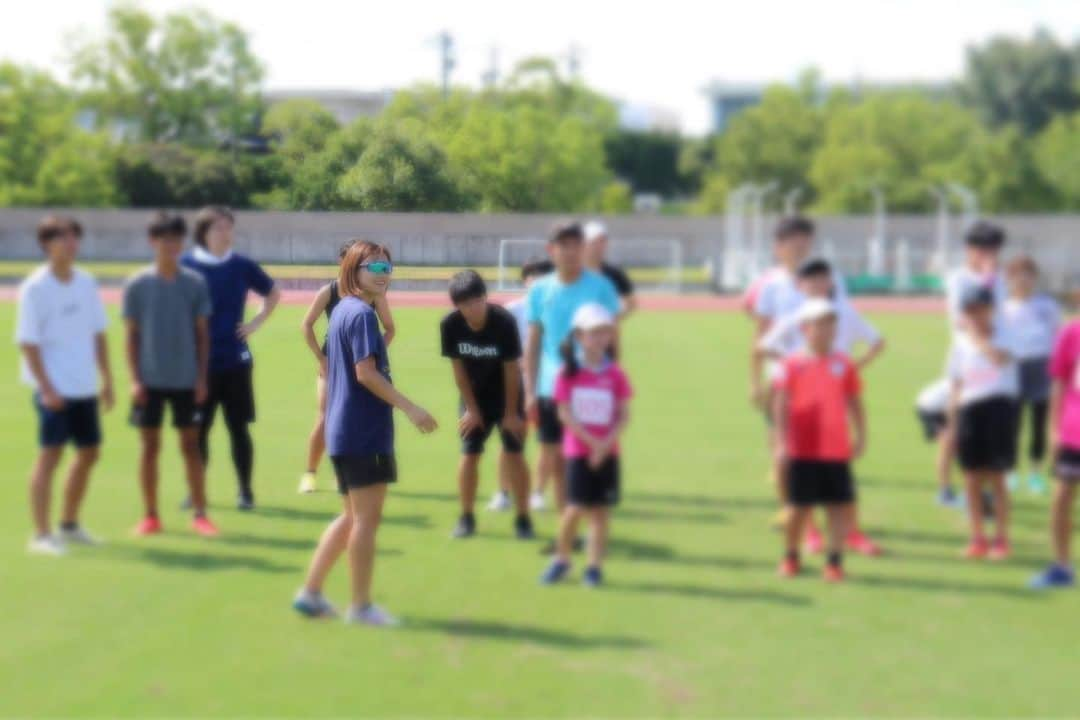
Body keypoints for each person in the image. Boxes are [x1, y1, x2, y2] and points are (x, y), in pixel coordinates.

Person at [292, 241, 437, 626]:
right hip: (362, 432)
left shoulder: (346, 311)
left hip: (345, 431)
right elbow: (366, 373)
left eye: (388, 267)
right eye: (374, 267)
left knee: (350, 517)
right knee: (365, 522)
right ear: (354, 270)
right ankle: (360, 606)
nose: (384, 273)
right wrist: (411, 408)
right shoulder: (361, 315)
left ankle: (310, 593)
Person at [757, 258, 884, 555]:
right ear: (800, 285)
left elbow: (877, 341)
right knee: (803, 474)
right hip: (802, 405)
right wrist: (791, 368)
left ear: (831, 281)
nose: (816, 285)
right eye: (810, 280)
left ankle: (851, 533)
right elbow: (765, 345)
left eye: (822, 279)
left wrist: (853, 370)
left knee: (841, 476)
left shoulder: (844, 312)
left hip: (833, 406)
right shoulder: (797, 315)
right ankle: (811, 533)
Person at [16, 216, 114, 555]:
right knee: (51, 455)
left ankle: (69, 524)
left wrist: (108, 379)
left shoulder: (86, 282)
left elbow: (98, 332)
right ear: (46, 244)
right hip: (53, 388)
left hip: (84, 384)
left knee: (89, 453)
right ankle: (41, 535)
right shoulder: (36, 288)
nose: (70, 243)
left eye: (74, 237)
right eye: (62, 237)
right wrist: (46, 388)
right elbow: (28, 343)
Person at [123, 212, 218, 537]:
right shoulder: (138, 285)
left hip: (186, 379)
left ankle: (201, 513)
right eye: (165, 239)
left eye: (177, 239)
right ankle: (150, 515)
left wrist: (202, 377)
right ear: (153, 242)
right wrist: (135, 379)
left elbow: (202, 335)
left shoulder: (194, 283)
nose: (171, 245)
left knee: (191, 446)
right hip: (149, 380)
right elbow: (131, 336)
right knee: (149, 447)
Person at [181, 206, 280, 510]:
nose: (225, 233)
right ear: (203, 233)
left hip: (235, 362)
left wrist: (255, 322)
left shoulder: (241, 265)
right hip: (197, 366)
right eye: (218, 228)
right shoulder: (186, 266)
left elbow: (272, 292)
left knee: (239, 429)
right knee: (199, 432)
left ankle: (245, 492)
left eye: (228, 227)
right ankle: (196, 492)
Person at [524, 222, 621, 519]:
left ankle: (586, 520)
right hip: (551, 387)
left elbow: (613, 338)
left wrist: (614, 381)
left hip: (591, 386)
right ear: (551, 250)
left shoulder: (600, 287)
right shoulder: (540, 290)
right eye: (563, 246)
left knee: (585, 455)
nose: (570, 252)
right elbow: (534, 342)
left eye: (576, 245)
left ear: (584, 248)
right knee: (553, 455)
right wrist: (529, 392)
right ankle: (566, 520)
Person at [773, 299, 865, 582]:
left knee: (838, 505)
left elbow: (855, 401)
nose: (826, 329)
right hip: (803, 446)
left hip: (835, 447)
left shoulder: (844, 364)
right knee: (797, 507)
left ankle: (834, 561)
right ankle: (791, 555)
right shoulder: (791, 364)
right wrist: (781, 442)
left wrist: (861, 435)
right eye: (819, 324)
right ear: (805, 328)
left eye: (830, 323)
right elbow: (780, 403)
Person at [540, 304, 632, 586]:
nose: (601, 338)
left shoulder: (615, 374)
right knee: (574, 509)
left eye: (605, 332)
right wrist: (592, 443)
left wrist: (605, 445)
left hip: (608, 453)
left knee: (600, 512)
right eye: (594, 333)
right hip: (579, 453)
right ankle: (562, 559)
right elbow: (565, 414)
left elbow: (623, 414)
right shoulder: (568, 373)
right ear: (580, 336)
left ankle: (593, 566)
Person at [440, 270, 533, 539]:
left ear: (485, 297)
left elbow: (512, 369)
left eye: (478, 300)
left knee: (515, 453)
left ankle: (523, 518)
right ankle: (466, 518)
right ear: (457, 306)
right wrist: (471, 409)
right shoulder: (451, 325)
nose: (474, 308)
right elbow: (458, 371)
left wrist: (511, 414)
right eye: (466, 303)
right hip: (473, 396)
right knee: (469, 455)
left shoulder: (503, 322)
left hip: (508, 394)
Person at [298, 241, 395, 494]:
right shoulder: (330, 291)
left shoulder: (374, 295)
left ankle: (342, 473)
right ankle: (310, 472)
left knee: (353, 420)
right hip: (332, 365)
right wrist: (322, 359)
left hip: (359, 366)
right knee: (325, 417)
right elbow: (306, 325)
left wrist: (373, 353)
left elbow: (390, 328)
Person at [946, 285, 1018, 560]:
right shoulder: (958, 343)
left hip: (999, 407)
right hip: (969, 410)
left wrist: (977, 340)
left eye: (980, 309)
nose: (975, 316)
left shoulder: (1006, 334)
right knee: (971, 478)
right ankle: (977, 537)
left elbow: (1000, 358)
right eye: (970, 311)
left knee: (997, 477)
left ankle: (1001, 539)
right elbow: (955, 383)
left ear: (991, 310)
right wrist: (952, 424)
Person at [1029, 307, 1080, 589]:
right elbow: (1059, 384)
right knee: (1061, 498)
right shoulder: (1071, 333)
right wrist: (1053, 430)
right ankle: (1062, 566)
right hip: (1074, 434)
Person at [1002, 255, 1060, 495]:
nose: (1023, 280)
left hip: (1041, 368)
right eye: (1018, 274)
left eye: (1028, 274)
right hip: (1013, 369)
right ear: (1010, 279)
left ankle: (1036, 473)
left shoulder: (1046, 305)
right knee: (1011, 425)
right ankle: (1011, 471)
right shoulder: (1004, 308)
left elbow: (1057, 337)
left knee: (1039, 424)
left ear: (1035, 278)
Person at [501, 257, 552, 512]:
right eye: (534, 279)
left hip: (549, 387)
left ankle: (538, 492)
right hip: (516, 387)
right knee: (511, 441)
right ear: (525, 281)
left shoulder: (558, 311)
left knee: (548, 443)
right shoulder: (511, 311)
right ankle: (503, 493)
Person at [944, 221, 1006, 333]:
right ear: (968, 249)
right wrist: (988, 279)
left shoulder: (1003, 276)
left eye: (993, 251)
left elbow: (1005, 313)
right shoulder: (959, 278)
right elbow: (959, 318)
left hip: (1001, 343)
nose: (988, 255)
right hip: (969, 346)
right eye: (983, 251)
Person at [914, 378, 962, 508]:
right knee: (948, 446)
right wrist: (953, 430)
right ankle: (945, 494)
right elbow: (951, 408)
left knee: (961, 449)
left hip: (946, 408)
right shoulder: (966, 383)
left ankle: (977, 491)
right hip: (930, 409)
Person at [583, 221, 636, 317]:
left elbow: (630, 302)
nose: (598, 246)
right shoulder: (574, 271)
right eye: (594, 242)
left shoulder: (615, 273)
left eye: (602, 241)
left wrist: (611, 319)